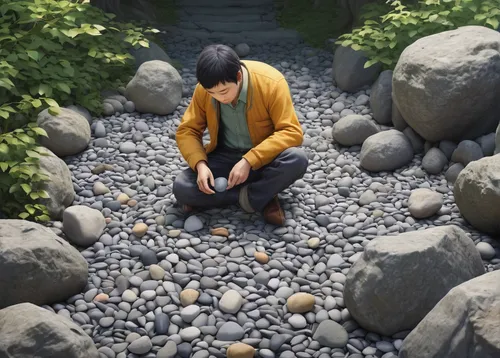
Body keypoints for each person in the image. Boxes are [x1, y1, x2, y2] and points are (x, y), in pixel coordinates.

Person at [173, 44, 308, 226]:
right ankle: (260, 196)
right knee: (181, 187)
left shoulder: (272, 83)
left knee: (297, 159)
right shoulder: (203, 90)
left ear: (238, 76)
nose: (220, 98)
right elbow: (187, 130)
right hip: (224, 156)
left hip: (264, 158)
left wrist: (249, 160)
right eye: (212, 93)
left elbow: (291, 131)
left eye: (224, 91)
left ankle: (229, 196)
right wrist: (200, 165)